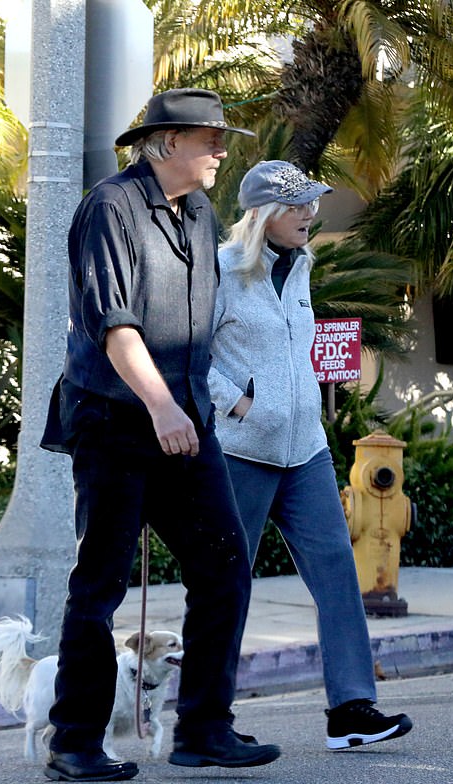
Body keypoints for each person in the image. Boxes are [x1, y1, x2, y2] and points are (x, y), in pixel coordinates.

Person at [40, 90, 282, 782]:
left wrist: (197, 407)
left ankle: (205, 730)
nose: (221, 150)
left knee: (225, 567)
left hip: (185, 421)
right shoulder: (109, 208)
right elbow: (115, 326)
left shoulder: (200, 212)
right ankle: (74, 743)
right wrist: (160, 406)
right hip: (117, 420)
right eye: (210, 138)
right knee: (100, 584)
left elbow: (201, 324)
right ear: (167, 142)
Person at [208, 160, 413, 751]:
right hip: (241, 452)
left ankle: (351, 711)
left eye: (311, 204)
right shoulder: (221, 271)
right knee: (227, 585)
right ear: (265, 214)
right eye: (297, 206)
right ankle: (210, 720)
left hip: (306, 454)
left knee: (337, 578)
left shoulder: (301, 267)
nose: (309, 215)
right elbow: (191, 354)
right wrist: (239, 404)